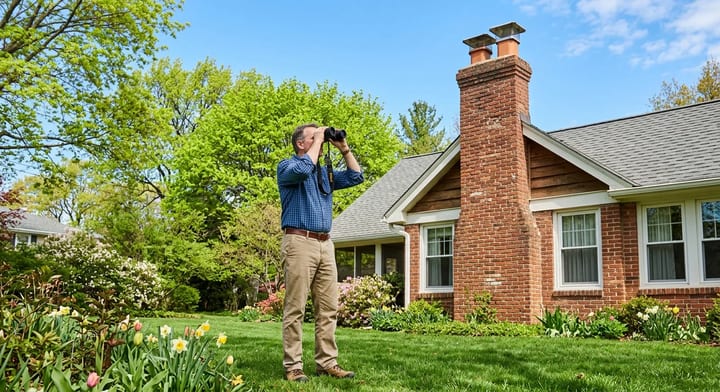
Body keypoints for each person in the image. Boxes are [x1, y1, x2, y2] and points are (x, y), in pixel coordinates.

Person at [276, 123, 364, 382]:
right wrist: (318, 140)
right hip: (299, 242)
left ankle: (326, 362)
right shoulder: (287, 167)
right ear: (301, 143)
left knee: (328, 308)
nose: (321, 139)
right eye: (314, 137)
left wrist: (343, 148)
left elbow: (357, 176)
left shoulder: (325, 174)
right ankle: (293, 366)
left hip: (326, 244)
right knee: (296, 308)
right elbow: (303, 168)